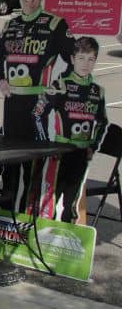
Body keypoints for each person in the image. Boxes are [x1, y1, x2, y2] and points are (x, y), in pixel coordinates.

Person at [0, 0, 73, 213]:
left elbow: (72, 61)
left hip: (39, 107)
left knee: (33, 166)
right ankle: (6, 216)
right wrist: (0, 80)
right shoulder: (11, 23)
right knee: (9, 164)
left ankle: (28, 217)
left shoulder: (55, 24)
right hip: (12, 104)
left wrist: (57, 86)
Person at [33, 37, 108, 223]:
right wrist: (48, 146)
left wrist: (93, 145)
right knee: (49, 201)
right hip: (60, 152)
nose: (85, 64)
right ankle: (41, 240)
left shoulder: (98, 91)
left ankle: (66, 244)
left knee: (72, 203)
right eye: (81, 58)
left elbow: (102, 122)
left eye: (91, 59)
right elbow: (37, 114)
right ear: (73, 59)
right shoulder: (60, 85)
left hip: (81, 153)